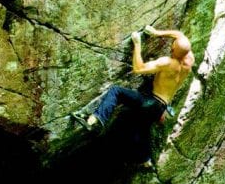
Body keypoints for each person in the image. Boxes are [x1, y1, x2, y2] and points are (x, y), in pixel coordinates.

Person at [72, 25, 194, 167]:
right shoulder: (188, 62)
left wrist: (137, 44)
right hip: (161, 108)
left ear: (172, 49)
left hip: (151, 103)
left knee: (116, 91)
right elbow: (179, 36)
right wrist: (156, 33)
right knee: (141, 128)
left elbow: (138, 68)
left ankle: (94, 120)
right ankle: (145, 160)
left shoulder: (166, 62)